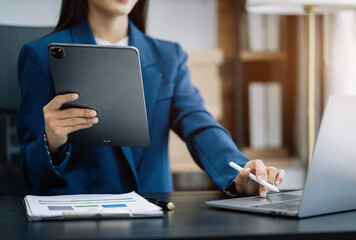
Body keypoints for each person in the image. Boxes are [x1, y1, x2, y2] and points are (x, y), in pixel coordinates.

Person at [17, 0, 285, 197]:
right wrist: (51, 141)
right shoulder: (40, 55)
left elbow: (198, 124)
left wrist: (239, 172)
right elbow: (29, 172)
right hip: (76, 216)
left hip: (152, 213)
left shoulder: (169, 56)